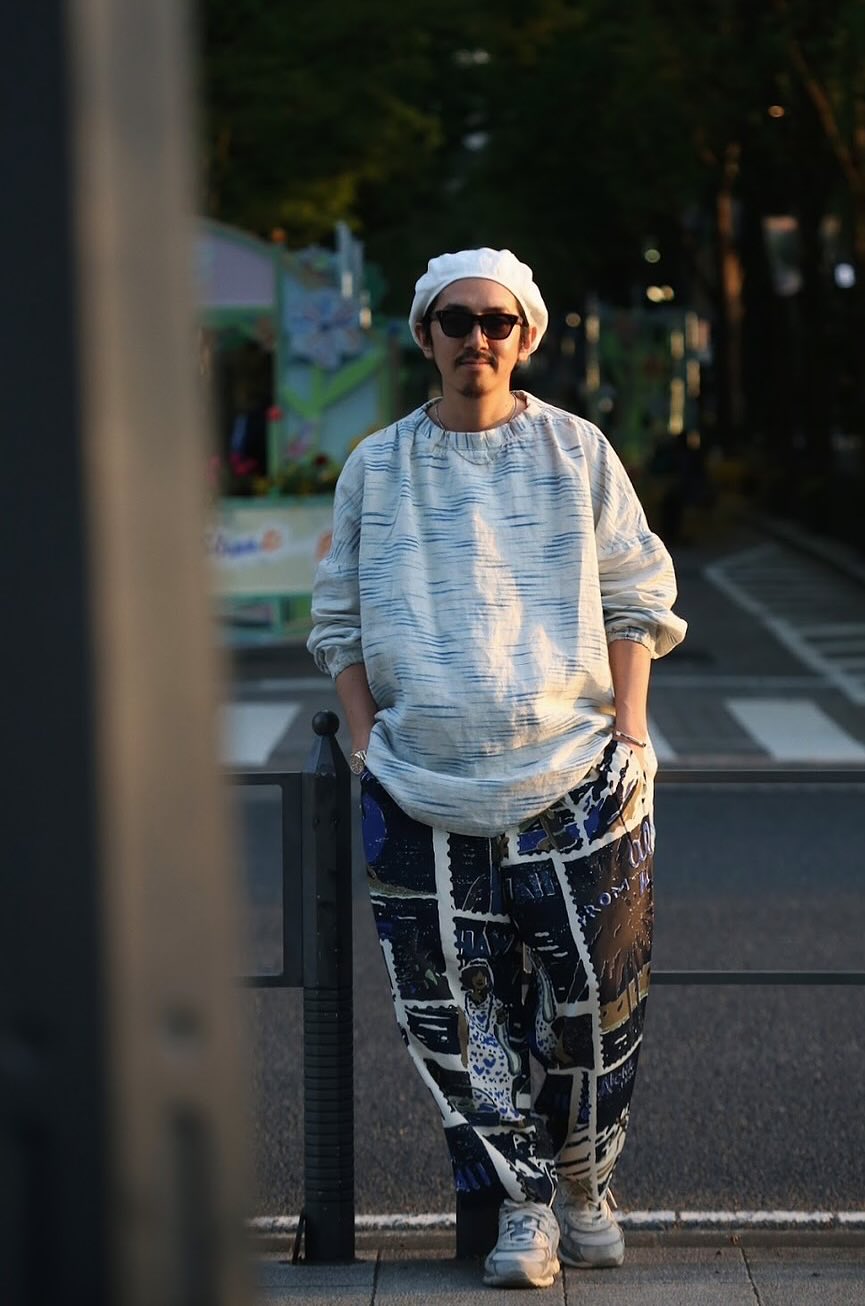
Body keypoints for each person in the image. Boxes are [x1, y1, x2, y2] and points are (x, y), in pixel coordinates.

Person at [308, 248, 686, 1290]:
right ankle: (524, 1209)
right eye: (458, 320)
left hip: (576, 776)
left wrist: (632, 735)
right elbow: (336, 618)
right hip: (415, 786)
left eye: (499, 322)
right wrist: (359, 736)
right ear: (424, 334)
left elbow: (634, 597)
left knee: (597, 1007)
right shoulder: (376, 467)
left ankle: (586, 1184)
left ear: (526, 336)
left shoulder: (577, 451)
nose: (479, 339)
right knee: (449, 1014)